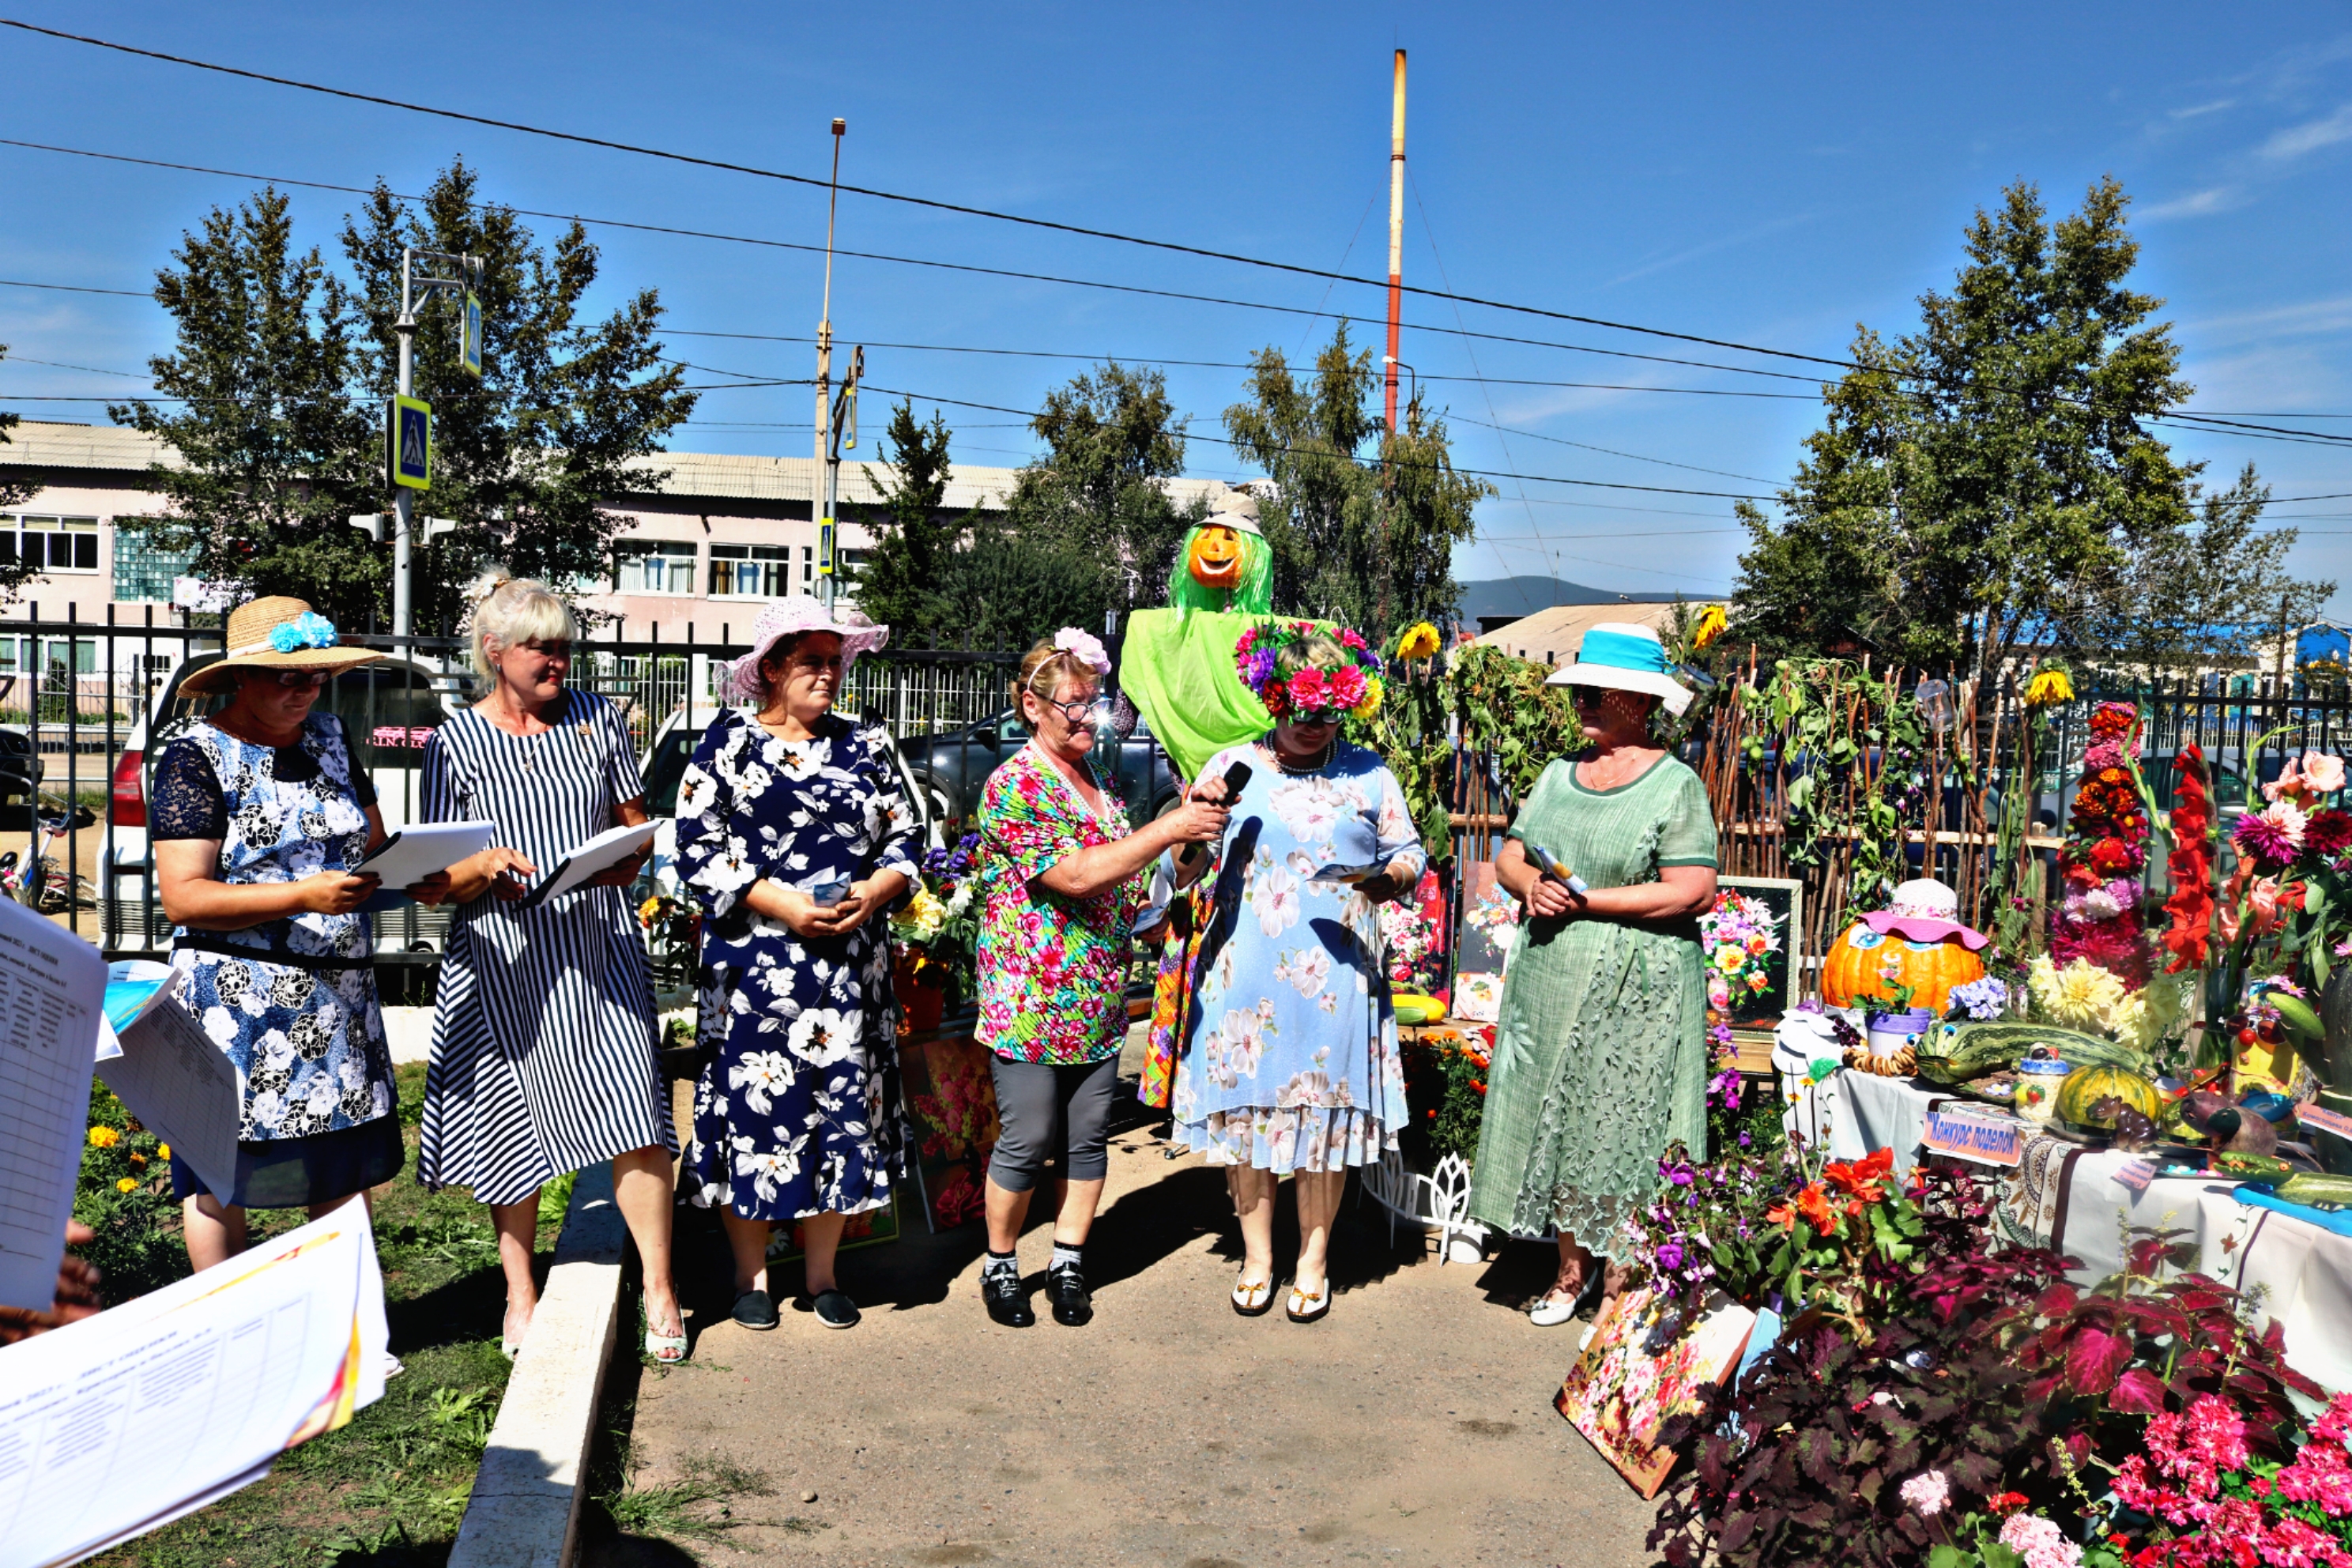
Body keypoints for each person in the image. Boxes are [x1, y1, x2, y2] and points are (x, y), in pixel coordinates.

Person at [414, 579, 685, 1363]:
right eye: (542, 646)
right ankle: (519, 1292)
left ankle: (662, 1289)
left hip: (596, 945)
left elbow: (639, 830)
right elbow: (437, 880)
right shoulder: (455, 741)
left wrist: (621, 861)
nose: (559, 659)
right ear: (495, 653)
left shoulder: (602, 720)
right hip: (501, 958)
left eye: (565, 644)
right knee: (508, 1124)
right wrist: (482, 865)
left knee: (639, 1113)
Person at [153, 597, 420, 1270]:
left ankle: (345, 1338)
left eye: (316, 676)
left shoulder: (331, 737)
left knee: (340, 1170)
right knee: (221, 1176)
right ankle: (228, 1331)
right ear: (240, 677)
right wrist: (304, 895)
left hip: (338, 1000)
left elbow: (372, 852)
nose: (304, 690)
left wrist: (422, 876)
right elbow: (184, 898)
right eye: (286, 676)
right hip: (237, 1005)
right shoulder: (195, 756)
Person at [971, 629, 1229, 1328]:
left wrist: (1186, 855)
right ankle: (999, 1265)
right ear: (1032, 706)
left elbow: (1131, 882)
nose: (1089, 718)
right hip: (1029, 995)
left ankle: (1067, 1263)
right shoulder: (1015, 786)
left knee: (1087, 1137)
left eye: (1096, 703)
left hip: (1095, 991)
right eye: (1074, 705)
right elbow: (1077, 876)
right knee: (1027, 1137)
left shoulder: (1100, 784)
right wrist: (1169, 826)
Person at [1465, 622, 1720, 1326]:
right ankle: (1567, 1272)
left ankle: (1622, 1284)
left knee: (1624, 1130)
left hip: (1638, 987)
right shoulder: (1556, 776)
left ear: (1640, 702)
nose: (1583, 700)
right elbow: (1513, 854)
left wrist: (1586, 900)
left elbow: (1693, 888)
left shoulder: (1676, 785)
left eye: (1599, 690)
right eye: (1580, 688)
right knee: (1564, 1116)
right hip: (1551, 980)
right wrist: (1527, 888)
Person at [674, 597, 916, 1333]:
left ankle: (823, 1276)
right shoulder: (725, 745)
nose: (828, 673)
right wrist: (781, 906)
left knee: (842, 1108)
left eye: (835, 660)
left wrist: (877, 889)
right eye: (812, 660)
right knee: (758, 1110)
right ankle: (751, 1280)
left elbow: (908, 836)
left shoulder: (866, 742)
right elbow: (694, 850)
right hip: (757, 972)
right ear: (772, 670)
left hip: (849, 967)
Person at [1174, 624, 1423, 1322]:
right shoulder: (1229, 766)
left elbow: (1409, 850)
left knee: (1324, 1122)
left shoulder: (1370, 773)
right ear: (1272, 699)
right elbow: (1183, 870)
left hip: (1336, 975)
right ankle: (1258, 1257)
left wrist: (1390, 877)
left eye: (1328, 713)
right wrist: (1195, 829)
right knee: (1251, 1120)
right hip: (1244, 973)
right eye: (1299, 710)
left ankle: (1313, 1261)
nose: (1313, 725)